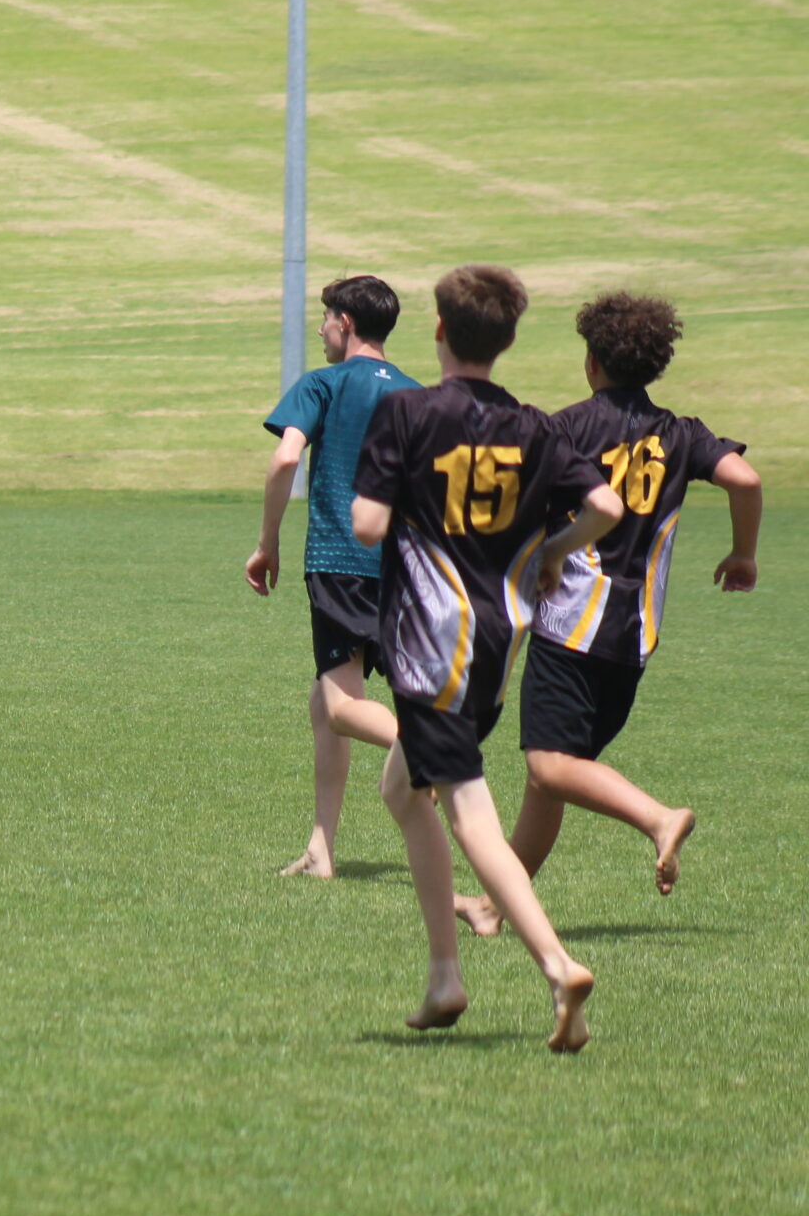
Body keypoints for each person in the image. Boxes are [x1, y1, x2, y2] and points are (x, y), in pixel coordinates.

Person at [342, 265, 623, 1051]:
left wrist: (390, 497)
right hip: (498, 644)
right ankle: (444, 976)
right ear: (507, 340)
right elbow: (606, 505)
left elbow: (367, 524)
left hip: (430, 644)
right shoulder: (536, 427)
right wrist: (554, 550)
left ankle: (557, 963)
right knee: (402, 787)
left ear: (439, 330)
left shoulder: (408, 413)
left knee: (468, 813)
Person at [454, 294, 760, 936]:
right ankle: (494, 905)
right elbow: (746, 480)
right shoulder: (682, 434)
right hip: (635, 636)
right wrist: (743, 554)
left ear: (592, 360)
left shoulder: (564, 429)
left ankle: (658, 818)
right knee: (553, 779)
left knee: (548, 765)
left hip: (570, 627)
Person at [246, 275, 420, 878]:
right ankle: (321, 847)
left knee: (342, 705)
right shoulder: (417, 395)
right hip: (404, 570)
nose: (320, 329)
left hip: (339, 561)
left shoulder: (322, 384)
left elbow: (285, 458)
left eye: (324, 318)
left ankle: (427, 747)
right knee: (323, 702)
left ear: (345, 323)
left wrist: (267, 544)